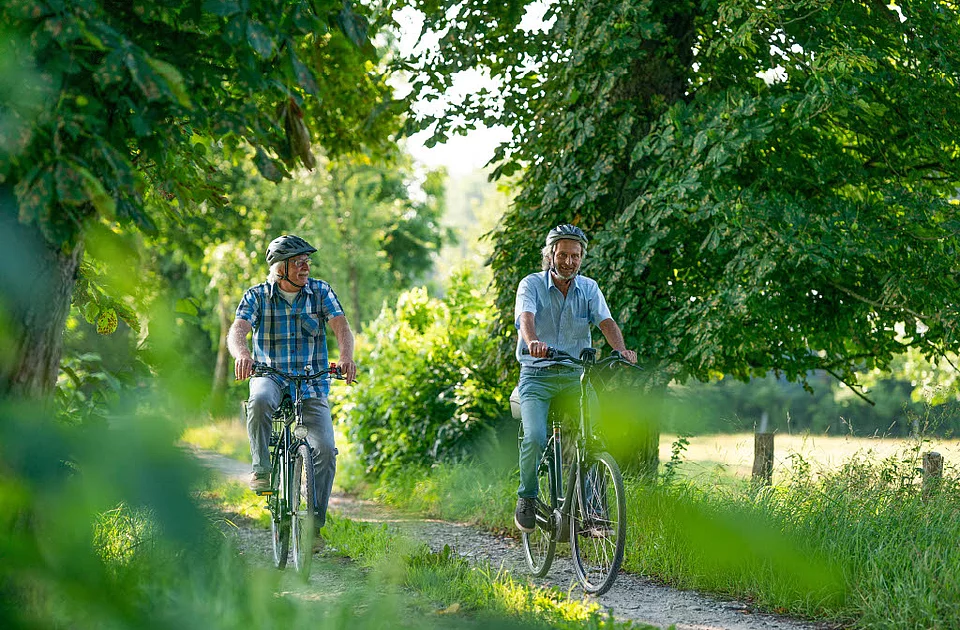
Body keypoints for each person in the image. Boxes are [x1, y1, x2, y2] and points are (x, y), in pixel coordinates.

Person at [228, 234, 357, 538]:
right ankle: (261, 468)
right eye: (298, 262)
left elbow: (341, 325)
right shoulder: (257, 296)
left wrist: (346, 357)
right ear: (279, 268)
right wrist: (243, 354)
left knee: (325, 451)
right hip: (270, 374)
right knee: (259, 399)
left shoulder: (320, 291)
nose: (306, 267)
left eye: (307, 261)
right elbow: (238, 330)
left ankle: (313, 529)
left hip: (311, 381)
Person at [513, 224, 637, 533]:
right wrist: (533, 342)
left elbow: (606, 321)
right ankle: (527, 498)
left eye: (576, 256)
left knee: (592, 436)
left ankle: (592, 509)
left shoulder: (589, 288)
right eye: (563, 254)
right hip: (536, 377)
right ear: (551, 254)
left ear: (581, 257)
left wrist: (621, 350)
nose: (569, 261)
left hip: (573, 377)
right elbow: (525, 318)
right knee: (536, 437)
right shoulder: (531, 285)